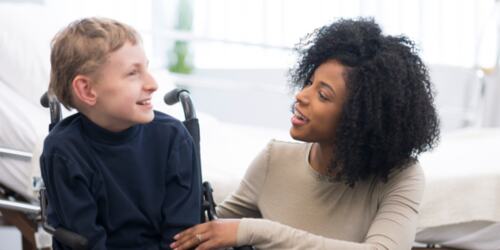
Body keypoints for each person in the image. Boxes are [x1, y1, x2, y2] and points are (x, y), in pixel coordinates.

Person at [170, 18, 439, 250]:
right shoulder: (273, 159)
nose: (301, 96)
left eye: (323, 94)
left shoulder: (401, 177)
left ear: (361, 117)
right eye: (309, 82)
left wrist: (258, 230)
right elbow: (214, 228)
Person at [40, 17, 201, 249]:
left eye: (147, 67)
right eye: (133, 73)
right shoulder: (64, 151)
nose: (153, 83)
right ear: (87, 89)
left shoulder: (173, 138)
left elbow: (182, 237)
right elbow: (86, 242)